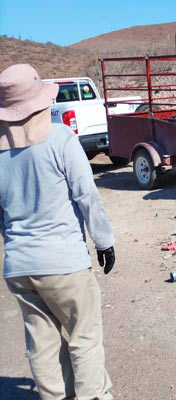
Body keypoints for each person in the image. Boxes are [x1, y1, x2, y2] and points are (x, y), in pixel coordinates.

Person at [0, 64, 116, 399]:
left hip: (19, 267)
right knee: (85, 337)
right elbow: (86, 196)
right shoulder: (61, 139)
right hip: (64, 264)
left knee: (43, 345)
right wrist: (104, 241)